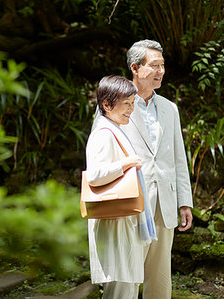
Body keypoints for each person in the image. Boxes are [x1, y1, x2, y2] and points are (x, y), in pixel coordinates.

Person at [121, 39, 194, 299]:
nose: (161, 71)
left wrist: (184, 202)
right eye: (154, 65)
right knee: (125, 279)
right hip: (130, 204)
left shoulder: (169, 109)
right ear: (135, 67)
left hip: (165, 204)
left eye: (162, 65)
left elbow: (178, 159)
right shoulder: (114, 103)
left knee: (160, 281)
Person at [86, 75, 156, 298]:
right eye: (126, 104)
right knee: (120, 290)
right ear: (106, 105)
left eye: (132, 104)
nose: (131, 110)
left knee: (127, 288)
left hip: (122, 222)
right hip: (115, 225)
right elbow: (95, 176)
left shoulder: (114, 128)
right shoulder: (103, 134)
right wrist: (126, 163)